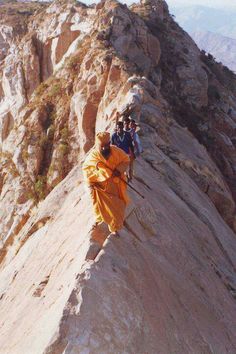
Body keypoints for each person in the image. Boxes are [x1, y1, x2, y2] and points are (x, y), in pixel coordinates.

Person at [82, 132, 130, 235]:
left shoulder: (116, 151)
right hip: (100, 189)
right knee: (100, 208)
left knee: (118, 207)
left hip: (115, 187)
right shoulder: (93, 157)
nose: (105, 148)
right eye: (102, 146)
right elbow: (87, 171)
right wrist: (100, 175)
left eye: (107, 145)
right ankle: (101, 223)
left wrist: (118, 170)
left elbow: (126, 160)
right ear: (98, 146)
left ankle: (115, 227)